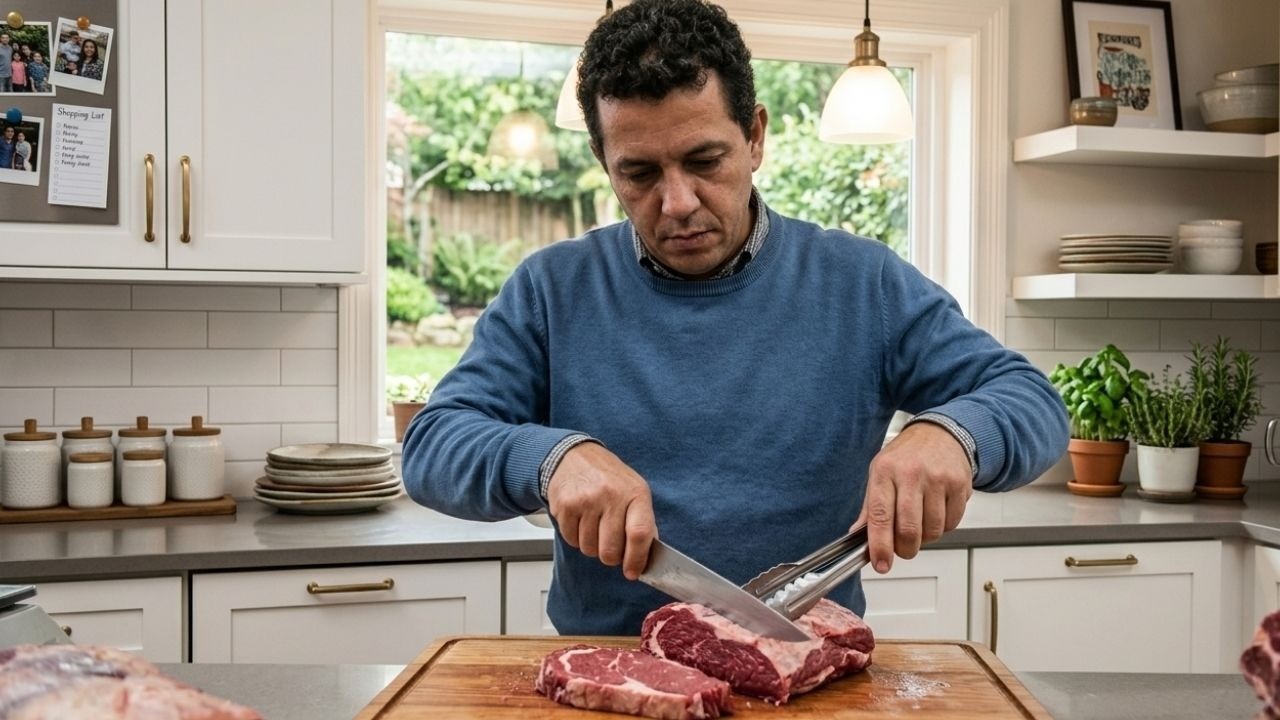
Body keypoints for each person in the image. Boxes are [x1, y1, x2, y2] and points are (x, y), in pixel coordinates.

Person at [401, 0, 1068, 636]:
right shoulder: (551, 289)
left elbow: (1031, 401)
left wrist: (953, 435)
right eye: (639, 173)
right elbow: (433, 445)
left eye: (704, 161)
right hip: (612, 670)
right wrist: (549, 460)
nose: (677, 202)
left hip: (803, 668)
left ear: (754, 137)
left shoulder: (865, 283)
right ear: (604, 164)